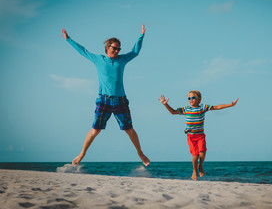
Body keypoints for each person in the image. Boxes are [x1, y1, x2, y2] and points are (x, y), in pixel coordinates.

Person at [61, 25, 150, 167]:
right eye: (114, 48)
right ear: (107, 47)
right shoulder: (99, 59)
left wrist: (141, 36)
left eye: (118, 49)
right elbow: (83, 51)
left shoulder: (122, 59)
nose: (116, 51)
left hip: (120, 100)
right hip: (104, 100)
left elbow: (135, 51)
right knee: (95, 129)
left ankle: (140, 153)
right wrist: (68, 39)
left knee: (129, 130)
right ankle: (81, 154)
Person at [159, 91, 238, 180]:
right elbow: (173, 112)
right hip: (191, 136)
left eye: (193, 97)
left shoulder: (203, 107)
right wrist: (166, 104)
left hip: (200, 136)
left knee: (202, 154)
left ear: (199, 99)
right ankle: (194, 170)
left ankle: (200, 165)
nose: (191, 100)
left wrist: (230, 105)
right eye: (189, 98)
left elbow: (216, 107)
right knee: (195, 155)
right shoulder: (186, 109)